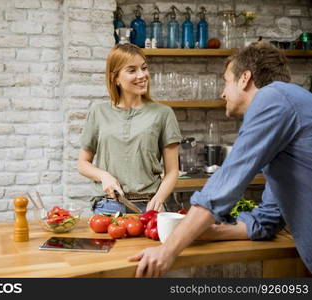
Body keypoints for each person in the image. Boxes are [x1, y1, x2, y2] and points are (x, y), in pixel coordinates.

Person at [128, 42, 312, 277]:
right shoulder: (289, 106)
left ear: (245, 78)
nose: (222, 93)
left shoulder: (273, 97)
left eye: (226, 81)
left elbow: (224, 185)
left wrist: (168, 250)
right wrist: (207, 231)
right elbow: (267, 220)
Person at [77, 43, 182, 214]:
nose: (142, 75)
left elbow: (172, 171)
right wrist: (104, 176)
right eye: (132, 70)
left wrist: (159, 199)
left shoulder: (163, 114)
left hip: (148, 205)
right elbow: (82, 163)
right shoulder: (98, 112)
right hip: (108, 206)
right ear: (115, 78)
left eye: (144, 68)